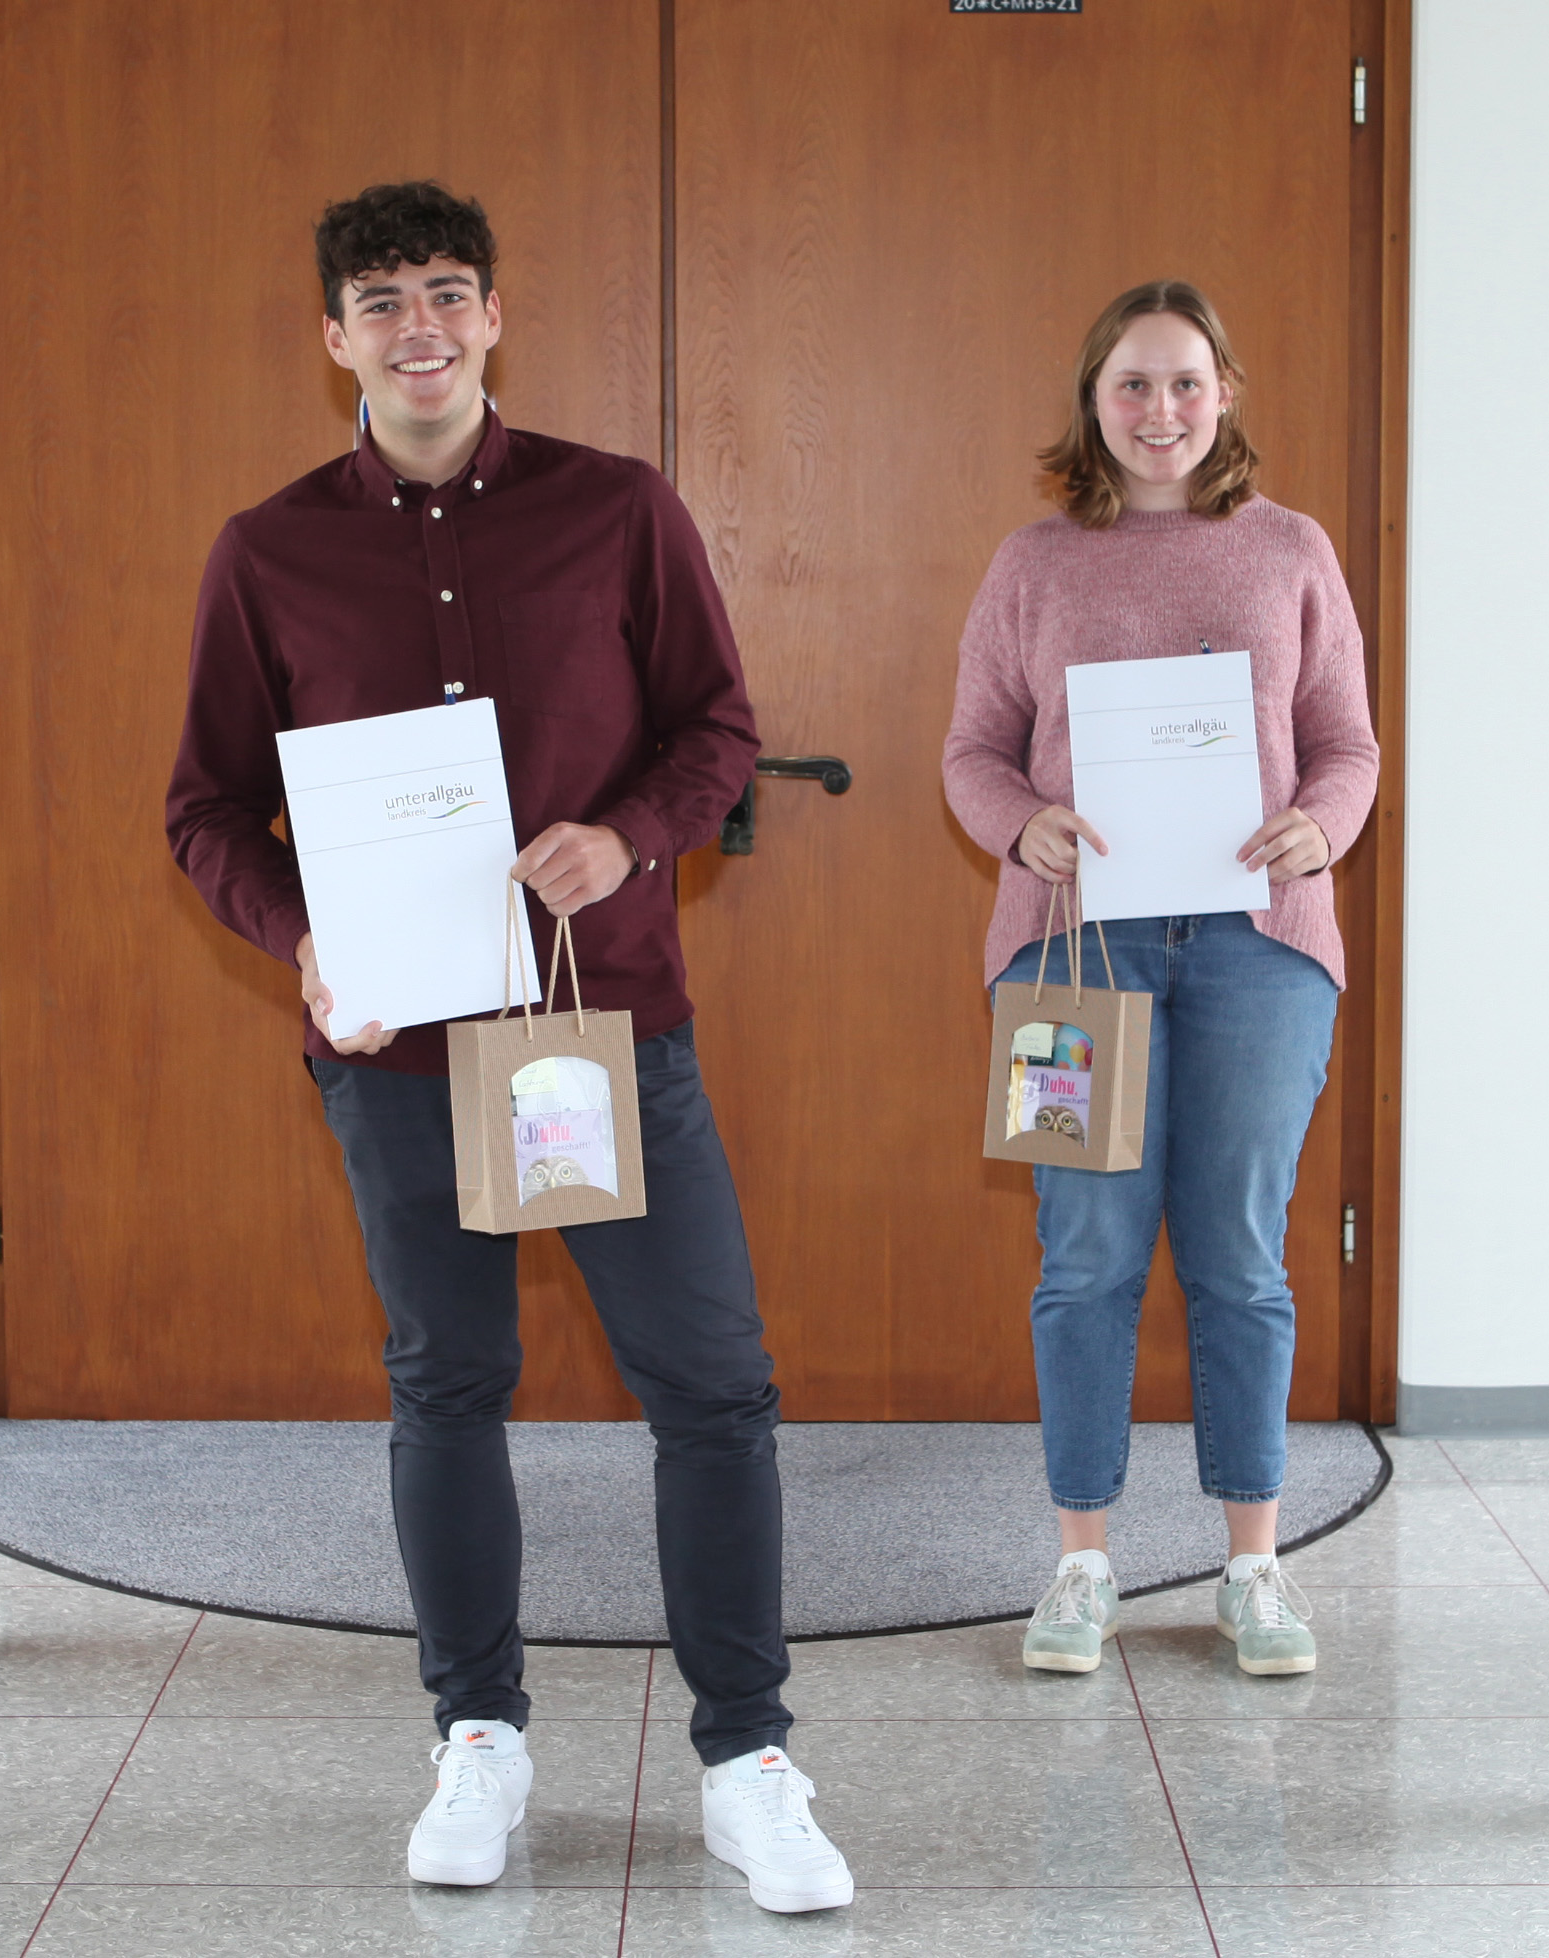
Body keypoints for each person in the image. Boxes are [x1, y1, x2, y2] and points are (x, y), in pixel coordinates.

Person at [163, 180, 850, 1915]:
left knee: (710, 1388)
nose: (419, 327)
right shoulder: (268, 551)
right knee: (447, 1388)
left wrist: (627, 838)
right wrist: (302, 941)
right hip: (395, 1051)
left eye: (448, 293)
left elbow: (719, 728)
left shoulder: (615, 510)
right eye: (381, 300)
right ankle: (477, 1731)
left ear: (494, 316)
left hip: (601, 1030)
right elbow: (204, 809)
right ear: (335, 337)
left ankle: (749, 1754)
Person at [939, 280, 1378, 1681]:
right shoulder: (1034, 563)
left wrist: (1323, 823)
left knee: (1243, 1256)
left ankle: (1253, 1567)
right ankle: (1082, 1564)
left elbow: (1347, 746)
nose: (1161, 410)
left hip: (1260, 946)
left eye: (1186, 383)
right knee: (1087, 1260)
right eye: (1133, 385)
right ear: (1094, 399)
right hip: (1080, 951)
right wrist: (1025, 821)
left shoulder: (1292, 551)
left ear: (1227, 393)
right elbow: (973, 755)